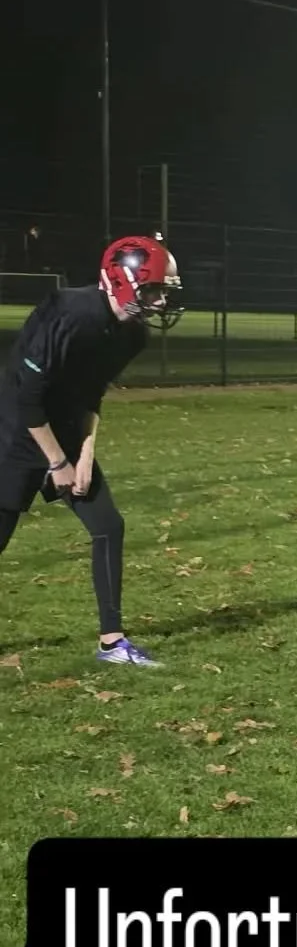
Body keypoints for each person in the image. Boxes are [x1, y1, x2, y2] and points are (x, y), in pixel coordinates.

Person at [0, 236, 184, 666]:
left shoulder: (131, 335)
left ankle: (112, 642)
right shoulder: (69, 313)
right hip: (15, 431)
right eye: (153, 290)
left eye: (164, 292)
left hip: (63, 433)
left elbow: (91, 394)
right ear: (121, 280)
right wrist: (57, 462)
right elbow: (28, 398)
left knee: (108, 526)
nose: (160, 302)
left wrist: (83, 455)